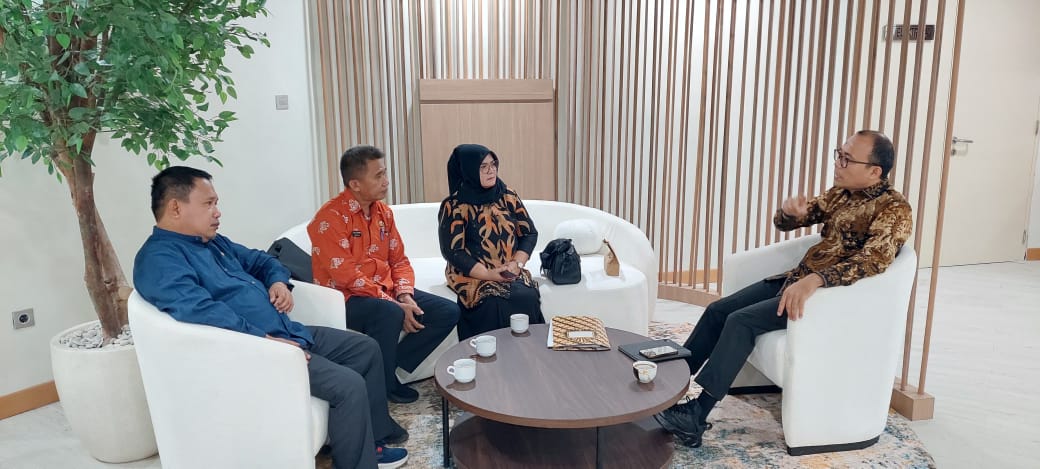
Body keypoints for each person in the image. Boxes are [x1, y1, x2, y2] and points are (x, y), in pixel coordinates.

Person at [133, 166, 408, 469]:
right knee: (348, 385)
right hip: (256, 353)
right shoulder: (160, 260)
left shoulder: (213, 242)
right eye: (208, 203)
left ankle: (371, 441)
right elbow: (202, 312)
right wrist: (265, 342)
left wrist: (278, 282)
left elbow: (263, 260)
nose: (217, 212)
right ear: (175, 207)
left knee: (364, 349)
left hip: (283, 331)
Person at [655, 130, 913, 448]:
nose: (838, 163)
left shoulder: (895, 210)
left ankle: (696, 416)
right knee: (718, 310)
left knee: (740, 321)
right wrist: (791, 214)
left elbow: (873, 261)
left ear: (874, 171)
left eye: (847, 159)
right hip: (797, 280)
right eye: (839, 154)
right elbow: (791, 220)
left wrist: (816, 280)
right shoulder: (842, 193)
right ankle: (668, 390)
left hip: (826, 298)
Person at [309, 145, 461, 404]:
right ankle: (385, 384)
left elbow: (399, 259)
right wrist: (393, 303)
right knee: (389, 312)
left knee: (447, 311)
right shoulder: (329, 219)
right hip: (344, 297)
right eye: (378, 175)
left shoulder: (383, 213)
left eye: (385, 173)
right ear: (355, 184)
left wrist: (404, 295)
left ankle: (386, 368)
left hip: (383, 290)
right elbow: (347, 276)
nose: (386, 181)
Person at [437, 144, 546, 340]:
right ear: (468, 170)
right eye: (483, 166)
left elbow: (529, 233)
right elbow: (453, 252)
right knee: (493, 301)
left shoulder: (508, 196)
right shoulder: (455, 206)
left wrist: (517, 264)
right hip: (472, 274)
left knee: (527, 296)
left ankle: (528, 352)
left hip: (510, 269)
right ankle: (488, 354)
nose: (491, 170)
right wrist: (488, 274)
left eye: (493, 164)